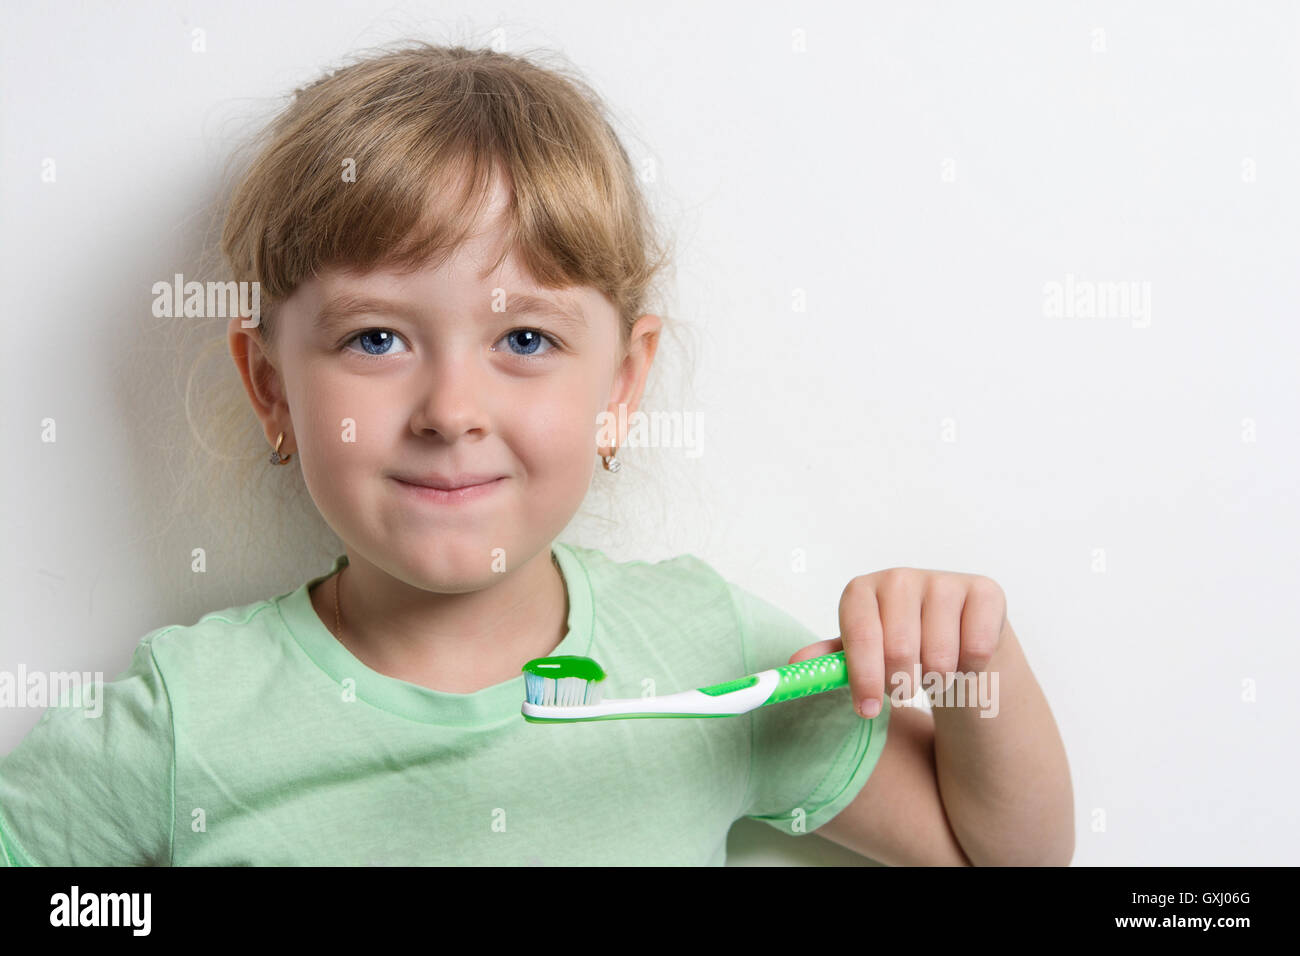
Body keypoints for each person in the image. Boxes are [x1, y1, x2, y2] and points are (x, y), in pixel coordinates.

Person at [0, 42, 1071, 866]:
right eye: (376, 338)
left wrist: (981, 665)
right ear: (271, 387)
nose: (451, 408)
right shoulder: (186, 717)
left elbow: (1000, 855)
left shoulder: (707, 657)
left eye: (525, 339)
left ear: (620, 386)